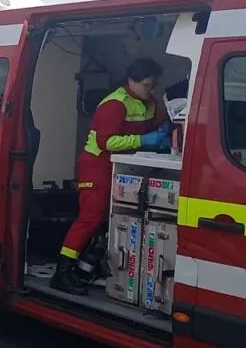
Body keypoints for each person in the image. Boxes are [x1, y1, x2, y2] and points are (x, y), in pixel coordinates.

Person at [51, 58, 170, 295]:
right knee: (90, 218)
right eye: (147, 85)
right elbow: (107, 142)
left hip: (121, 166)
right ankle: (61, 272)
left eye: (154, 85)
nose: (151, 90)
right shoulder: (115, 104)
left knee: (111, 218)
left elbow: (161, 120)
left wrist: (165, 130)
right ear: (131, 82)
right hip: (97, 165)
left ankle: (85, 268)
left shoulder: (148, 102)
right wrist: (145, 141)